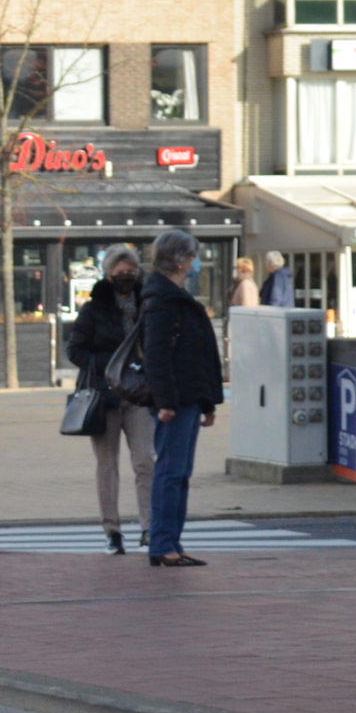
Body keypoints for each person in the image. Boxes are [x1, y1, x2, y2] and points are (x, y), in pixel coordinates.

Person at [140, 227, 224, 569]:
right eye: (191, 257)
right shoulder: (163, 300)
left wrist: (206, 402)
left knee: (178, 474)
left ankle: (170, 542)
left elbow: (192, 355)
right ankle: (163, 544)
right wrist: (166, 402)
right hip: (176, 402)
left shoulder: (168, 297)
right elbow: (158, 355)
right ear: (179, 260)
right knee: (171, 474)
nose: (194, 263)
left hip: (186, 399)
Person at [65, 243, 154, 555]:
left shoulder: (149, 303)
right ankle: (112, 531)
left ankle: (149, 527)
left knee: (145, 460)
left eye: (130, 269)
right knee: (107, 465)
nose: (126, 274)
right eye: (119, 269)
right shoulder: (94, 309)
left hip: (141, 394)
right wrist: (110, 367)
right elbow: (75, 350)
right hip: (106, 396)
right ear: (108, 273)